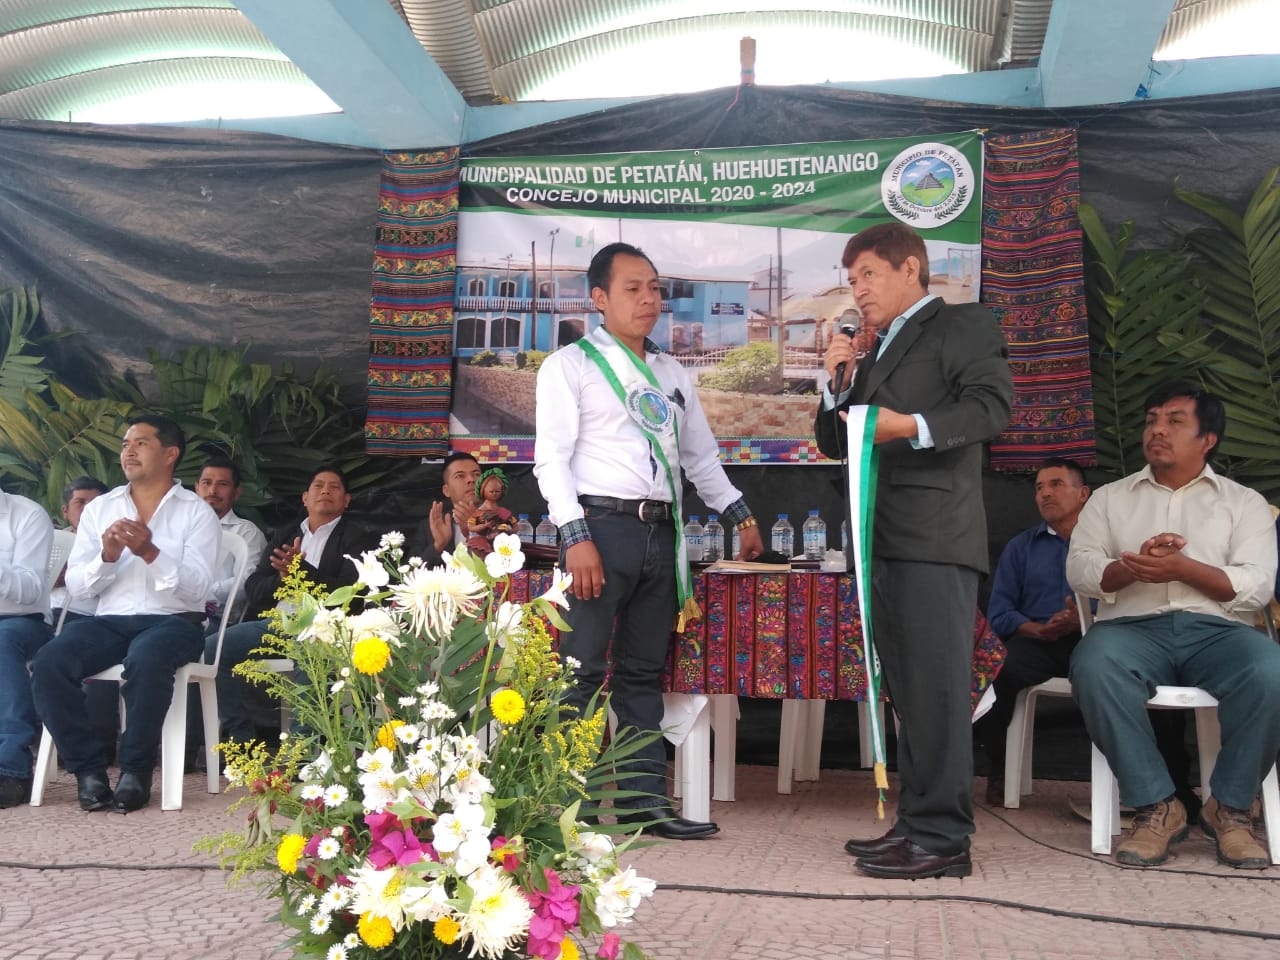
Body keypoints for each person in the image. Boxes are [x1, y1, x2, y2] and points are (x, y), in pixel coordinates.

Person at [534, 241, 765, 841]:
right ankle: (571, 810)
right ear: (599, 298)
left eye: (655, 288)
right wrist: (575, 535)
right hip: (599, 530)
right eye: (633, 288)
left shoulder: (671, 372)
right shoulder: (570, 365)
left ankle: (642, 804)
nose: (649, 299)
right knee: (581, 671)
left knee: (642, 675)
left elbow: (699, 458)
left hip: (663, 534)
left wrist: (739, 514)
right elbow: (550, 460)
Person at [814, 222, 1013, 879]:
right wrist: (837, 381)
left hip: (934, 538)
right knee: (910, 695)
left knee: (938, 693)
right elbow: (836, 441)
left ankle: (945, 839)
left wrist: (913, 426)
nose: (859, 290)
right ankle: (916, 824)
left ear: (910, 269)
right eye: (852, 280)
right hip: (882, 538)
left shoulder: (961, 325)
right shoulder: (871, 350)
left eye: (869, 274)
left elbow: (991, 408)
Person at [1067, 380, 1280, 869]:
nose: (1157, 430)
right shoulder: (1109, 499)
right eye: (1152, 421)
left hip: (1218, 633)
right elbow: (1080, 569)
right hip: (1131, 630)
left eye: (1174, 421)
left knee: (1271, 670)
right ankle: (1157, 806)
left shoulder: (1243, 502)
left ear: (1208, 439)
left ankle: (1230, 810)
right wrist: (1132, 568)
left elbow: (1257, 585)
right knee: (1094, 665)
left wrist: (1185, 569)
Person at [31, 415, 220, 813]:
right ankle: (88, 771)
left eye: (141, 443)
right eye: (125, 444)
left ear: (170, 454)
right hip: (109, 621)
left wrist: (151, 553)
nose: (129, 451)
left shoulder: (196, 512)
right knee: (49, 661)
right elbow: (78, 585)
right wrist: (107, 556)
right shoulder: (101, 508)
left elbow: (198, 591)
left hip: (176, 622)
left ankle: (135, 771)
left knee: (147, 658)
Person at [213, 466, 374, 745]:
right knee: (213, 649)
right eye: (318, 486)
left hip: (324, 629)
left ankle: (301, 751)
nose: (325, 491)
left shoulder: (358, 537)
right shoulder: (285, 535)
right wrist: (282, 579)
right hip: (277, 624)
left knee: (309, 653)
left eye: (334, 487)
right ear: (305, 497)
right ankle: (242, 739)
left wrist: (302, 572)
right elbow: (254, 588)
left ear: (346, 500)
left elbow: (353, 594)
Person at [976, 459, 1090, 806]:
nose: (1045, 494)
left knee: (1117, 671)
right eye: (1039, 488)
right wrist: (1038, 629)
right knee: (997, 667)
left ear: (1083, 494)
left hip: (1094, 640)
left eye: (1056, 484)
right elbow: (1000, 613)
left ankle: (1132, 782)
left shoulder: (1104, 545)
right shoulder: (1021, 547)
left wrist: (1084, 619)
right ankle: (1000, 769)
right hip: (1039, 642)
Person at [0, 488, 54, 808]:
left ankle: (11, 768)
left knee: (1, 640)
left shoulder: (27, 515)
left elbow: (31, 589)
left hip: (22, 621)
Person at [195, 455, 267, 624]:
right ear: (197, 488)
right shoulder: (179, 527)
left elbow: (246, 582)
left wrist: (200, 593)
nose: (212, 491)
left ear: (237, 493)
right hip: (165, 611)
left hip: (216, 619)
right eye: (206, 483)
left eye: (222, 484)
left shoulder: (246, 532)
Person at [49, 476, 109, 621]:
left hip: (88, 615)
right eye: (80, 502)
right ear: (65, 511)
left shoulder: (115, 542)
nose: (88, 509)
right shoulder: (52, 540)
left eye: (95, 503)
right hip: (46, 612)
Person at [410, 451, 483, 563]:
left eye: (476, 474)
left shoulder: (501, 520)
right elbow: (409, 571)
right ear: (446, 490)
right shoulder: (429, 527)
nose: (471, 480)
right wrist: (438, 546)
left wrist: (474, 534)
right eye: (460, 476)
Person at [465, 467, 515, 556]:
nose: (494, 493)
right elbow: (471, 527)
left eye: (497, 491)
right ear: (482, 491)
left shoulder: (502, 512)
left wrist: (508, 530)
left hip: (501, 544)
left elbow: (516, 526)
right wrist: (485, 526)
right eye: (491, 491)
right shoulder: (478, 512)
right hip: (481, 542)